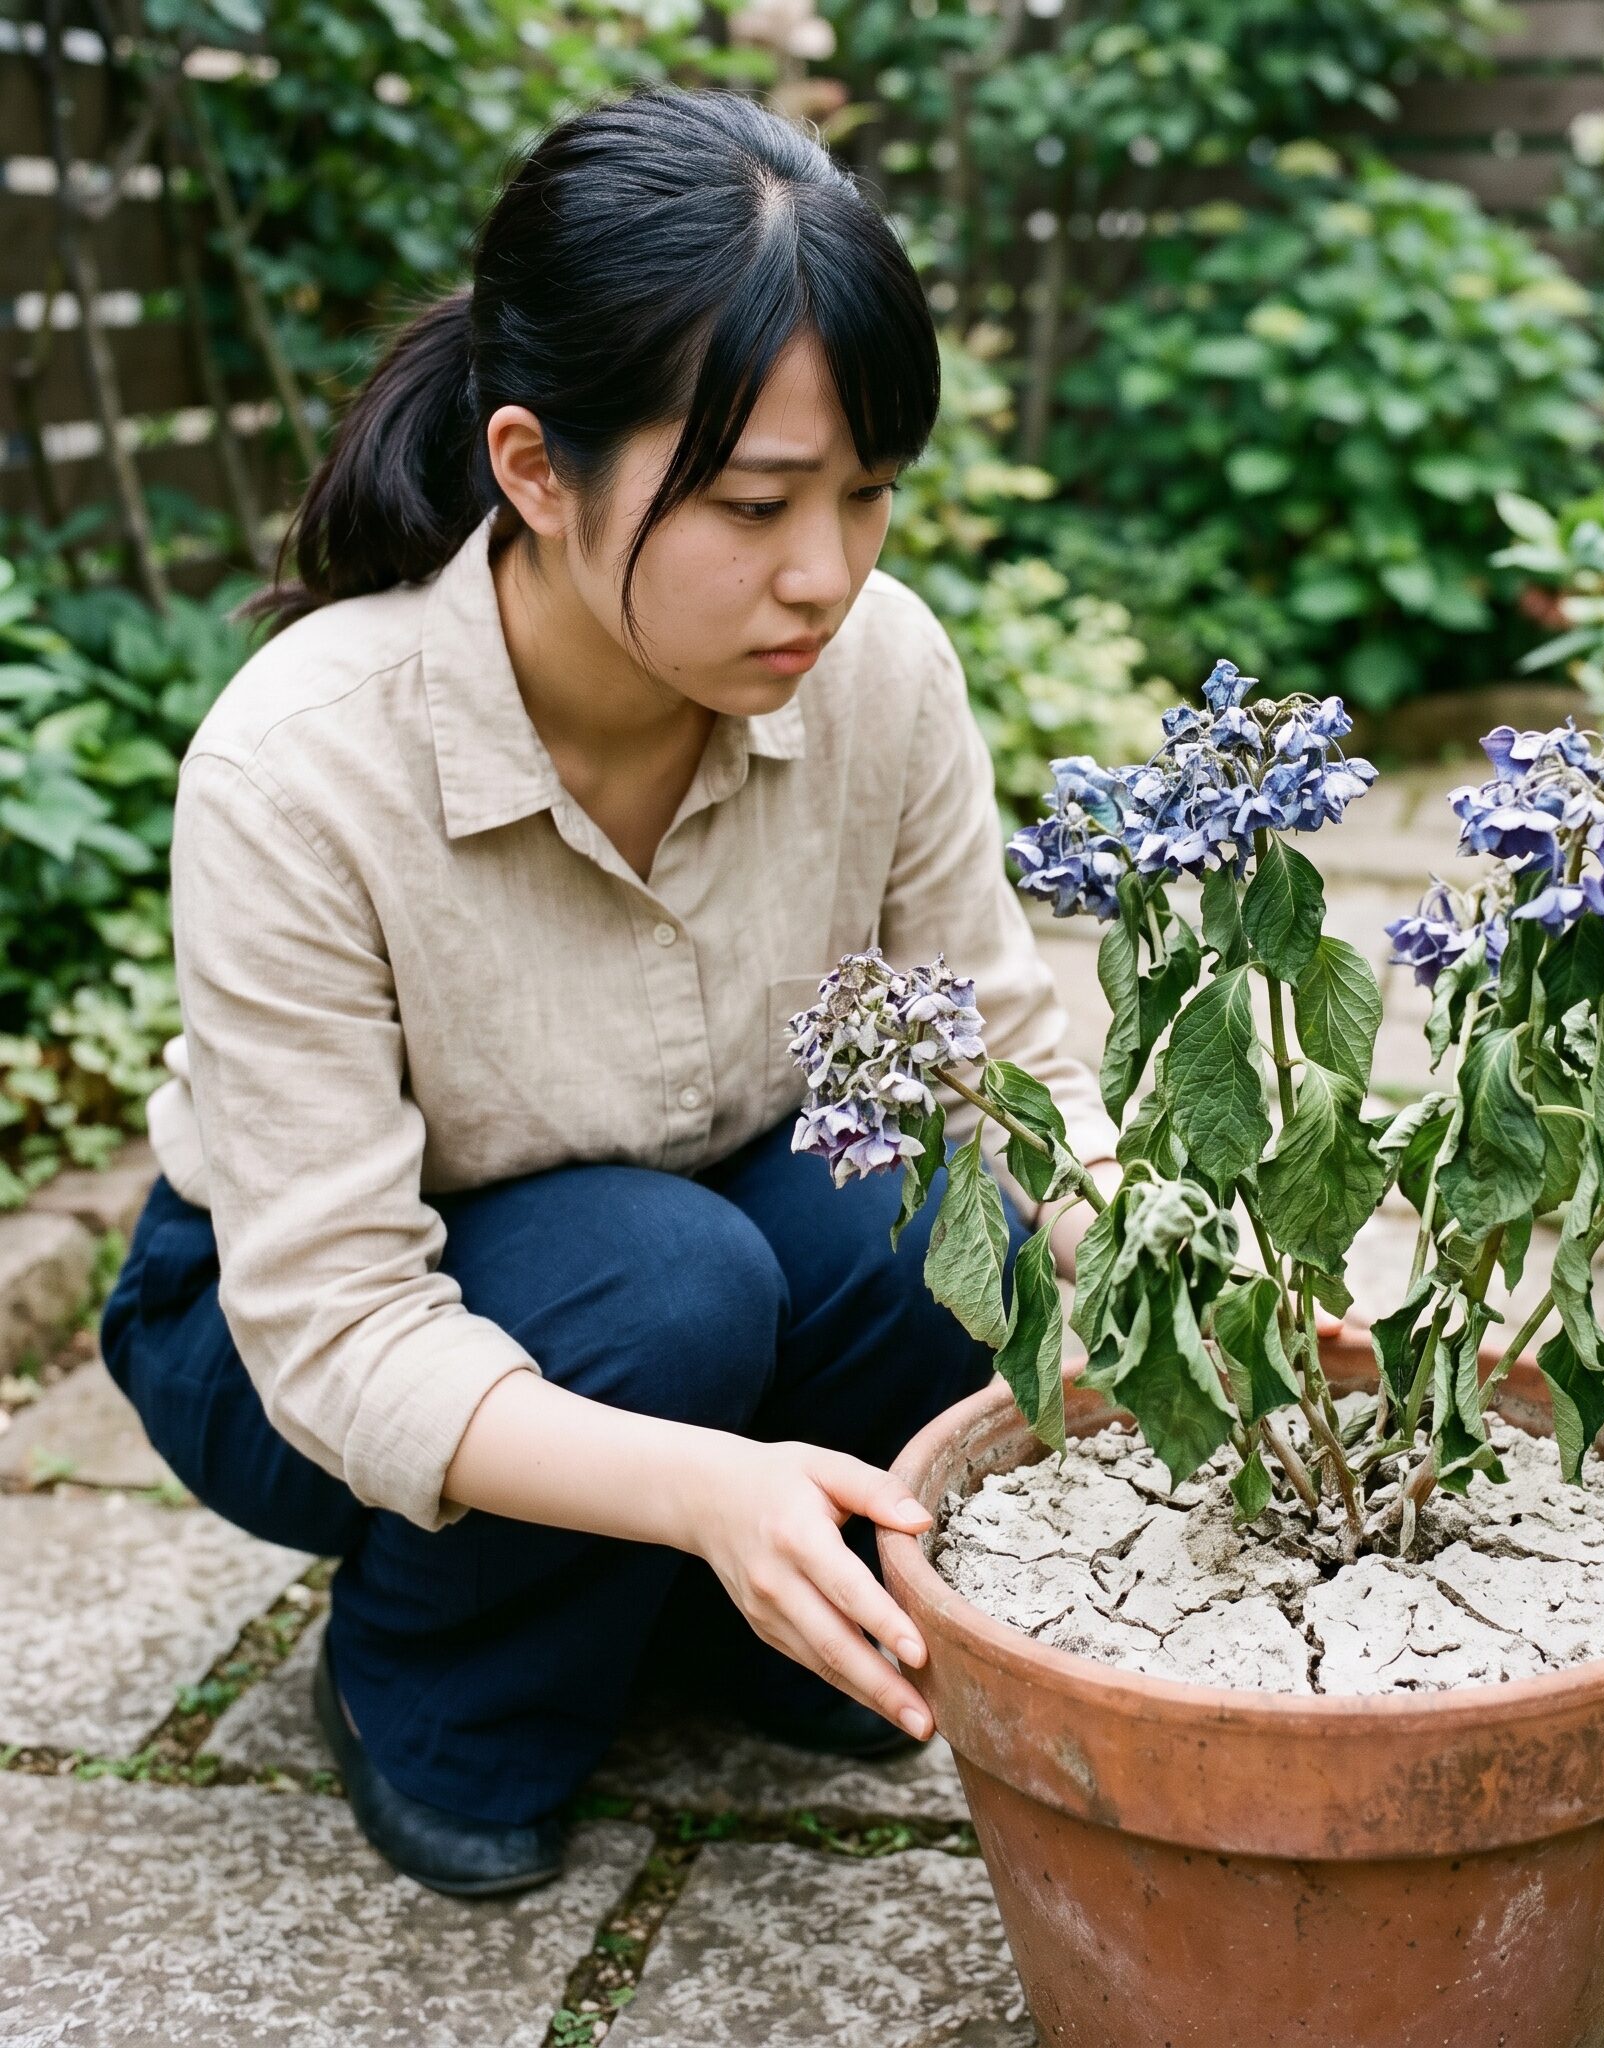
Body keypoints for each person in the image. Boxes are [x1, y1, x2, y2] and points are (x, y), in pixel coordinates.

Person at [97, 84, 1118, 1899]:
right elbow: (333, 1320)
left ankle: (738, 1609)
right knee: (669, 1282)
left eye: (868, 493)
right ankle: (441, 1682)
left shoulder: (881, 673)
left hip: (702, 1221)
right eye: (754, 504)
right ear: (536, 469)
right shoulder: (302, 766)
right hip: (291, 1325)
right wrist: (701, 1480)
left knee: (941, 1203)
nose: (827, 573)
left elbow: (996, 1058)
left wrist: (1171, 1296)